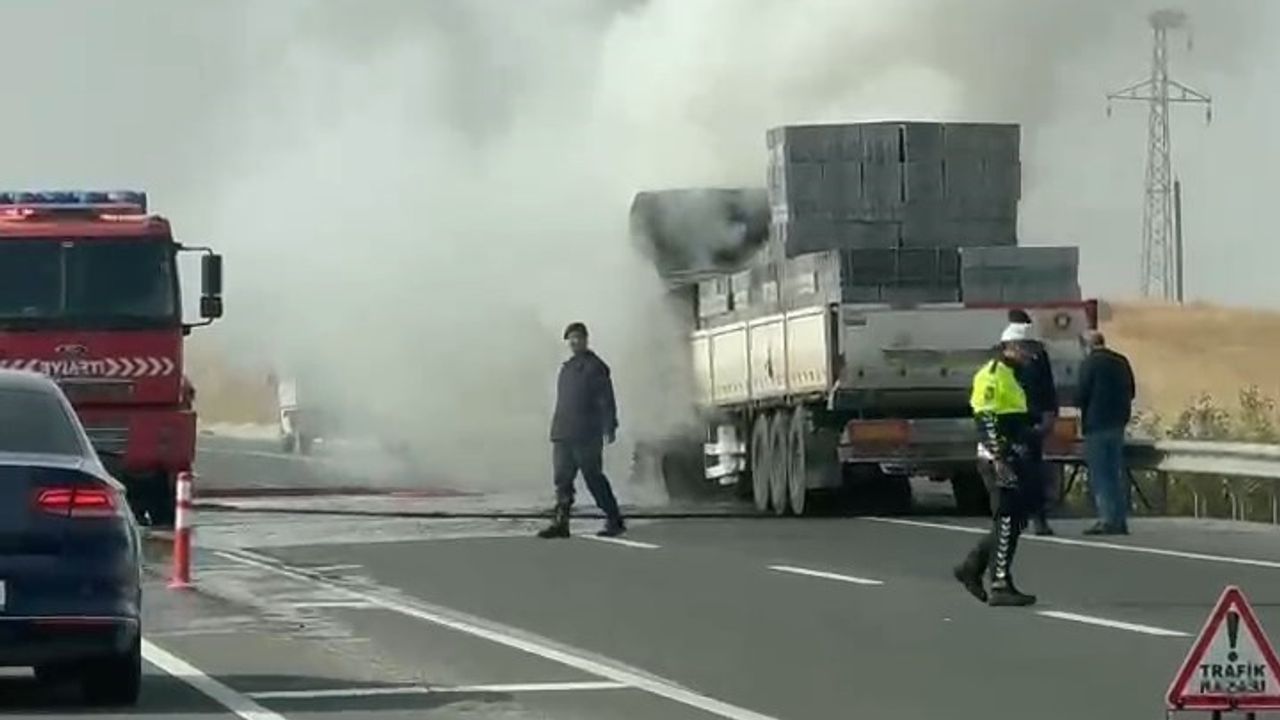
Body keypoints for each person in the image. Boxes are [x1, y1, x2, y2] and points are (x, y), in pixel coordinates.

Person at [953, 323, 1038, 607]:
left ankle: (972, 567)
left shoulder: (1016, 374)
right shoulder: (991, 374)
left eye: (1031, 348)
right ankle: (999, 582)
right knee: (1006, 517)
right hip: (998, 458)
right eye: (1024, 348)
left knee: (1015, 519)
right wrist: (999, 457)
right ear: (1008, 347)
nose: (1029, 354)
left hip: (1015, 454)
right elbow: (987, 418)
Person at [538, 322, 626, 539]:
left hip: (586, 433)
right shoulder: (566, 368)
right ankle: (561, 522)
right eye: (571, 338)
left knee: (593, 477)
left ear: (586, 339)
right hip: (563, 432)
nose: (574, 341)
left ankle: (614, 518)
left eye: (578, 337)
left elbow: (606, 399)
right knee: (562, 479)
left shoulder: (596, 367)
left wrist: (610, 425)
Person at [1076, 330, 1136, 536]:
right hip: (1118, 423)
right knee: (1115, 473)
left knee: (1101, 474)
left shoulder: (1090, 364)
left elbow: (1081, 394)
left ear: (1087, 346)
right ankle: (1120, 520)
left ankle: (1107, 519)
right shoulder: (1121, 361)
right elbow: (1132, 391)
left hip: (1096, 424)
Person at [1006, 309, 1059, 536]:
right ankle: (1021, 517)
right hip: (1016, 419)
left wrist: (1049, 414)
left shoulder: (1038, 356)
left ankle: (1037, 518)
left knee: (1031, 471)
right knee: (1019, 471)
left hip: (1029, 419)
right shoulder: (1005, 362)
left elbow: (1046, 386)